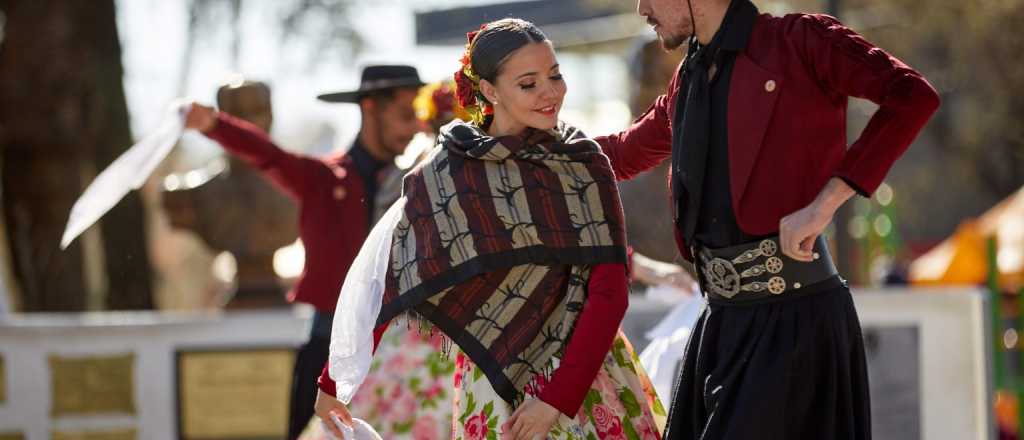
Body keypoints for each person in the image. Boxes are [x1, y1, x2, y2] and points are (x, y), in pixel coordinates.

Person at [595, 0, 941, 438]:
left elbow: (913, 96)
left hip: (796, 325)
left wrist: (826, 204)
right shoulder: (689, 78)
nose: (642, 7)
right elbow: (620, 154)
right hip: (721, 323)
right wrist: (522, 144)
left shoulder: (801, 42)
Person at [314, 19, 666, 440]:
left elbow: (610, 292)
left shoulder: (582, 164)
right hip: (494, 389)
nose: (550, 92)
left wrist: (556, 399)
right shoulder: (446, 176)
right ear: (489, 91)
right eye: (528, 83)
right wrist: (332, 385)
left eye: (555, 75)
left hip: (587, 386)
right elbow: (391, 276)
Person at [183, 65, 426, 439]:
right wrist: (214, 125)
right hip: (328, 337)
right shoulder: (324, 179)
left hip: (401, 341)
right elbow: (271, 158)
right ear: (370, 108)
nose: (413, 128)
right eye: (406, 115)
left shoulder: (422, 181)